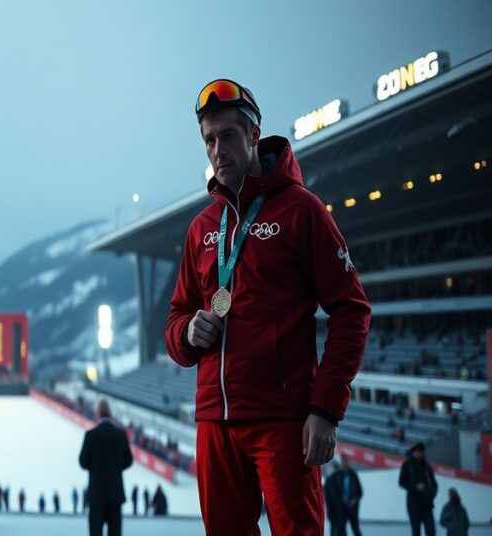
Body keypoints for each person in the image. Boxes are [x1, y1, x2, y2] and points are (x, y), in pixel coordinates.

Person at [165, 79, 370, 536]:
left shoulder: (302, 210)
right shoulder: (201, 228)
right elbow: (176, 319)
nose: (218, 150)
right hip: (214, 420)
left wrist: (325, 409)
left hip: (283, 419)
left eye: (228, 136)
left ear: (254, 135)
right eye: (209, 140)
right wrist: (186, 332)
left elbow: (352, 310)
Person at [79, 399, 134, 536]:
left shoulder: (91, 435)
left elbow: (83, 461)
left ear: (98, 413)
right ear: (110, 413)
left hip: (96, 493)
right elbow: (128, 460)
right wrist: (116, 468)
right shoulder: (120, 435)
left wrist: (96, 468)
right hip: (115, 492)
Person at [400, 442, 437, 536]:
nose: (419, 453)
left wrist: (432, 494)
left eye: (421, 451)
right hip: (414, 504)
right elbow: (401, 482)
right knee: (416, 532)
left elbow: (434, 484)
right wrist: (415, 487)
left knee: (431, 531)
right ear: (413, 452)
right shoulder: (407, 465)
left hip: (427, 504)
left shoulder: (427, 467)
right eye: (417, 451)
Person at [323, 458, 362, 536]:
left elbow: (359, 492)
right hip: (338, 510)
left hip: (349, 509)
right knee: (339, 529)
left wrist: (353, 501)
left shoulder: (352, 475)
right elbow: (329, 498)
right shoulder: (331, 480)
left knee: (354, 528)